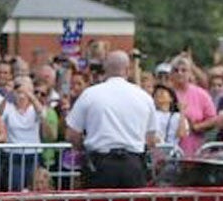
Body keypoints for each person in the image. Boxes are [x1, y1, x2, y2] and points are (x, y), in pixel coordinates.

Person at [65, 51, 157, 189]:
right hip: (133, 166)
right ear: (128, 69)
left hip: (99, 165)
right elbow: (150, 139)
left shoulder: (90, 94)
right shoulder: (144, 97)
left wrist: (82, 147)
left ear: (105, 68)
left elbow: (72, 134)